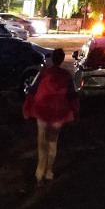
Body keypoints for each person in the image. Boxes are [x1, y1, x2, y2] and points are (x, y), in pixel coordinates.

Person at [22, 47, 79, 182]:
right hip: (58, 112)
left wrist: (27, 107)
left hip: (42, 109)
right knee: (53, 142)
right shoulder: (66, 76)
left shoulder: (43, 73)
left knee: (41, 141)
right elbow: (73, 95)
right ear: (62, 59)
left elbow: (32, 90)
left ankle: (39, 171)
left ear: (52, 59)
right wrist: (75, 110)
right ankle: (49, 171)